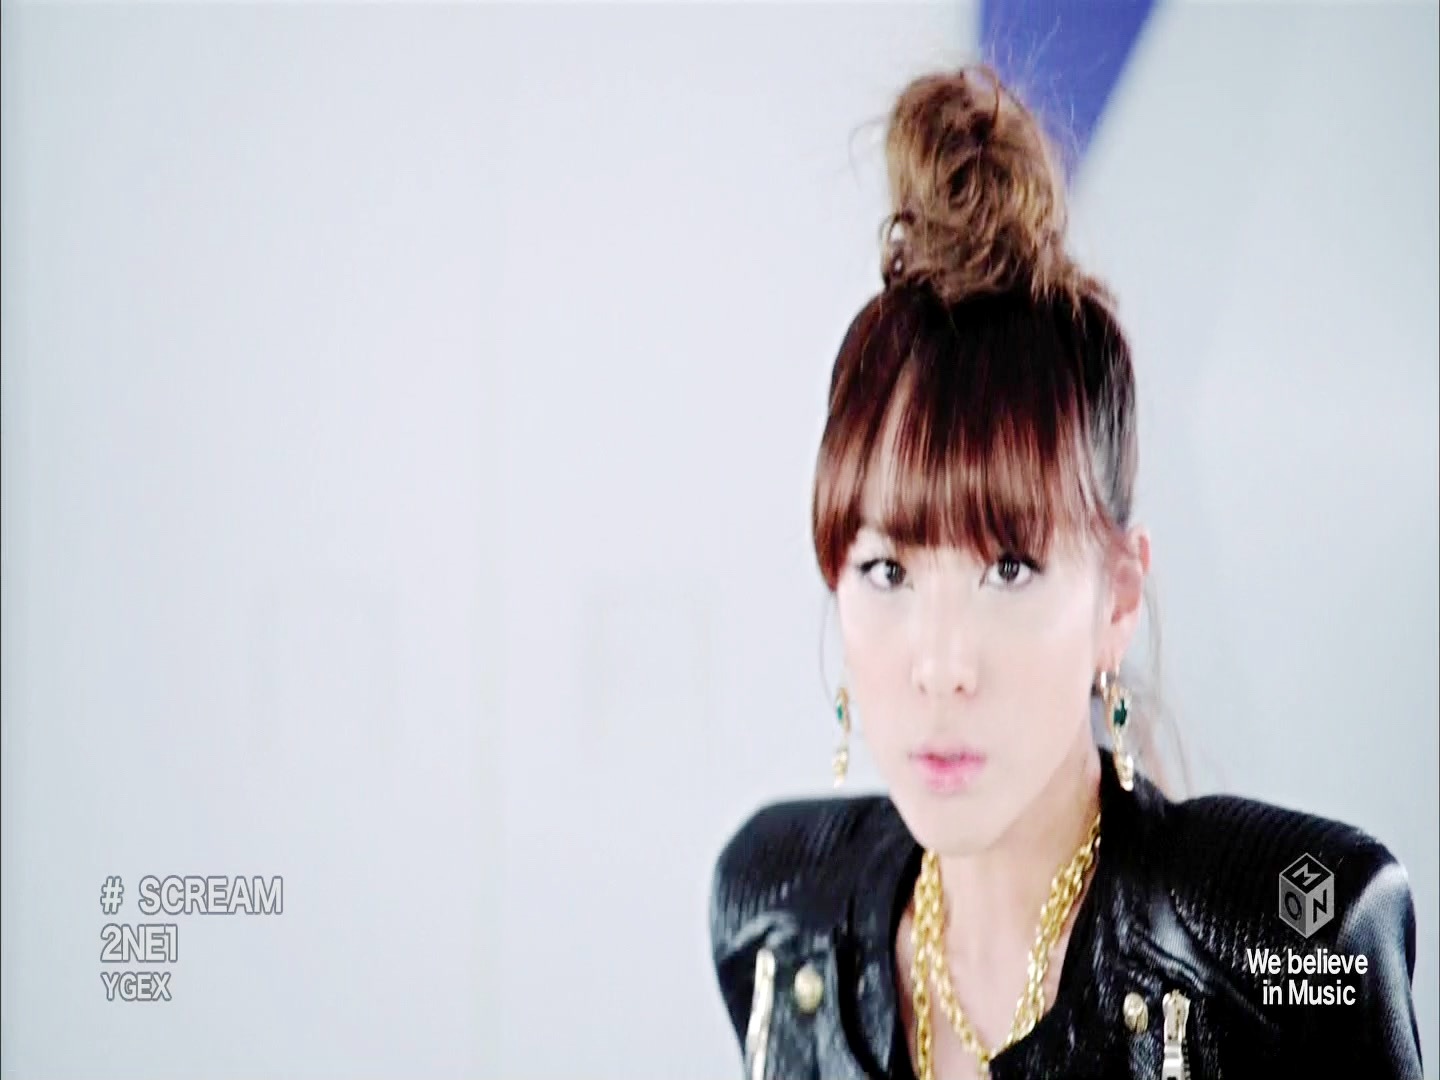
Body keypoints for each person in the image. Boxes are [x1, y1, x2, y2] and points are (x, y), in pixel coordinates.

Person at [707, 64, 1422, 1080]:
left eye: (1007, 567)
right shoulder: (777, 920)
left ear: (1117, 598)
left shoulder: (1293, 945)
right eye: (888, 570)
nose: (941, 665)